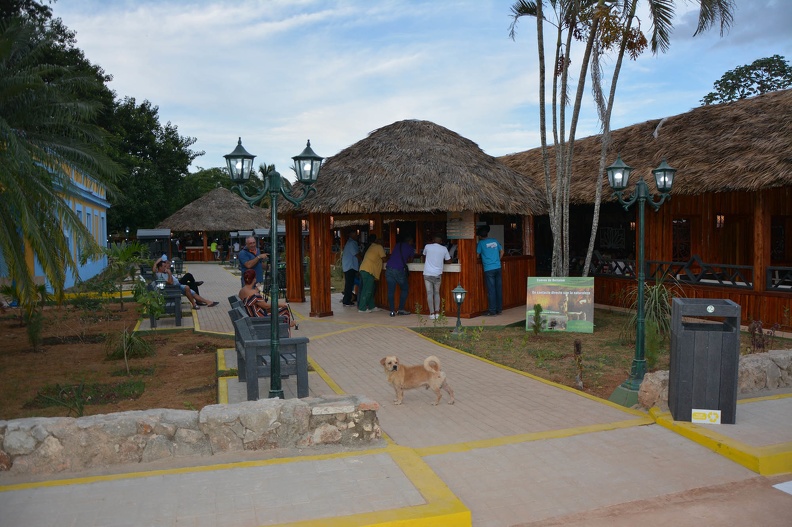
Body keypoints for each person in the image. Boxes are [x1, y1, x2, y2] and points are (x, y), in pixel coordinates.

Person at [153, 257, 218, 310]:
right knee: (187, 287)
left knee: (192, 292)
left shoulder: (163, 272)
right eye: (164, 266)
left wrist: (157, 262)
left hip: (177, 286)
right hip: (174, 289)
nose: (166, 268)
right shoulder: (159, 275)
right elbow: (170, 282)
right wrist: (169, 274)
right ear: (160, 268)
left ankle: (208, 302)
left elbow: (156, 266)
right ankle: (195, 304)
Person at [476, 225, 504, 316]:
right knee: (498, 289)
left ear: (479, 236)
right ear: (487, 234)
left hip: (488, 269)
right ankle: (499, 309)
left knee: (491, 290)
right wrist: (498, 260)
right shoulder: (495, 240)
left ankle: (492, 310)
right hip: (498, 267)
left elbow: (477, 255)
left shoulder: (480, 243)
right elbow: (502, 251)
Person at [422, 235, 451, 320]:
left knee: (429, 293)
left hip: (427, 273)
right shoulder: (444, 249)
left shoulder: (427, 246)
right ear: (441, 241)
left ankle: (431, 313)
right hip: (437, 274)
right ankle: (437, 313)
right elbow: (448, 261)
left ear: (433, 240)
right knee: (436, 293)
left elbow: (424, 256)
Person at [358, 233, 387, 313]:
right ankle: (362, 308)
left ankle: (372, 306)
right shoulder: (379, 247)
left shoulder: (372, 246)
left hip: (365, 269)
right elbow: (384, 259)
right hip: (368, 271)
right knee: (367, 290)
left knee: (370, 289)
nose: (383, 243)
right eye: (382, 241)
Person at [386, 235, 414, 316]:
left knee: (391, 291)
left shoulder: (398, 245)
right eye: (412, 241)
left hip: (389, 268)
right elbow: (411, 260)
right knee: (405, 288)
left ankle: (392, 311)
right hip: (398, 270)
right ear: (409, 241)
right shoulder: (410, 248)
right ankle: (401, 309)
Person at [341, 231, 362, 306]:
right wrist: (362, 261)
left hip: (348, 266)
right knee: (349, 284)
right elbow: (357, 254)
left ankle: (346, 299)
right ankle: (347, 301)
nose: (357, 236)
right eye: (356, 235)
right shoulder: (352, 243)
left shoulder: (350, 242)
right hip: (350, 266)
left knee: (349, 284)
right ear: (352, 235)